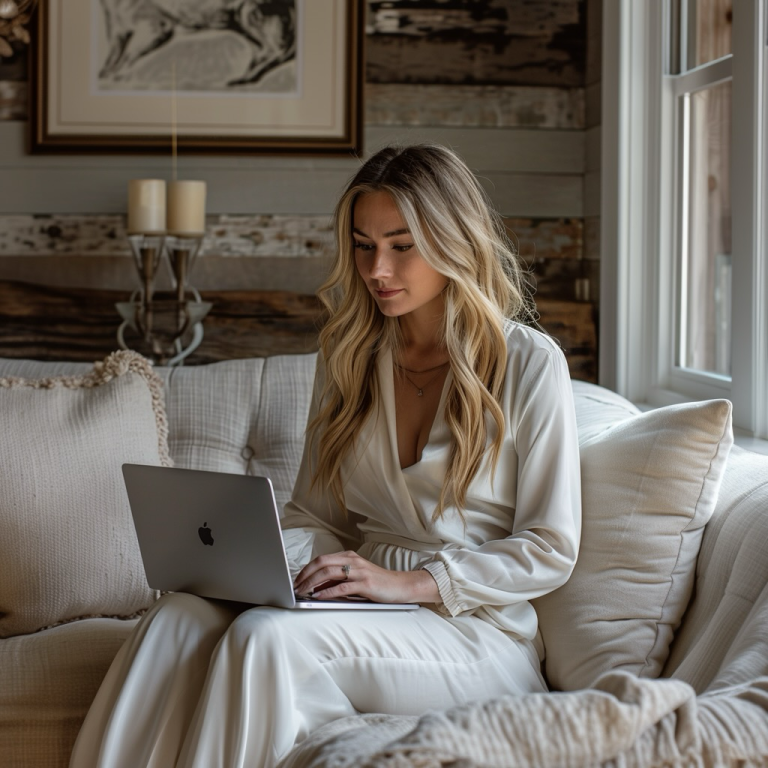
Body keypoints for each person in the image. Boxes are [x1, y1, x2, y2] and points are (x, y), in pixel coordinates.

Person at [70, 143, 581, 768]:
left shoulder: (527, 362)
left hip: (473, 631)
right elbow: (320, 519)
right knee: (177, 616)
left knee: (267, 641)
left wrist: (411, 582)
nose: (377, 269)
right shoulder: (350, 358)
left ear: (455, 241)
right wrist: (254, 570)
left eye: (401, 245)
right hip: (358, 603)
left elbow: (550, 547)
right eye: (364, 245)